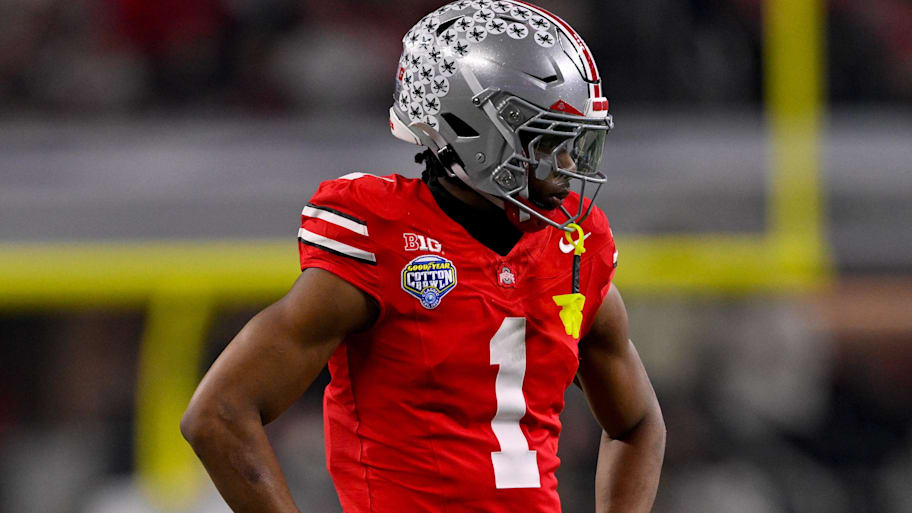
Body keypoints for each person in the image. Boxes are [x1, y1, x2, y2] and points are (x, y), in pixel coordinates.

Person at [180, 1, 665, 512]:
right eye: (546, 142)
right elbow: (219, 414)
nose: (566, 166)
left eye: (573, 142)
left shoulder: (574, 246)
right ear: (473, 131)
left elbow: (637, 424)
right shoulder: (383, 235)